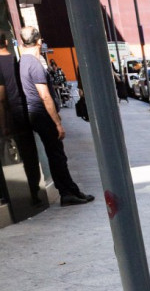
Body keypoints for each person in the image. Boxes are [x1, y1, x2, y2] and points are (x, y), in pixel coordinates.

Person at [18, 26, 94, 207]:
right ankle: (67, 193)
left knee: (55, 155)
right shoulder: (34, 64)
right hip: (42, 115)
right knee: (57, 156)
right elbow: (45, 96)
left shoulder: (23, 62)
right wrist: (58, 123)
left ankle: (71, 190)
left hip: (35, 114)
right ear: (39, 41)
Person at [0, 33, 42, 206]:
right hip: (22, 112)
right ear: (7, 42)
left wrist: (3, 125)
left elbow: (1, 98)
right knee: (29, 154)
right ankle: (34, 191)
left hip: (8, 116)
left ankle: (6, 194)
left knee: (4, 154)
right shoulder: (17, 62)